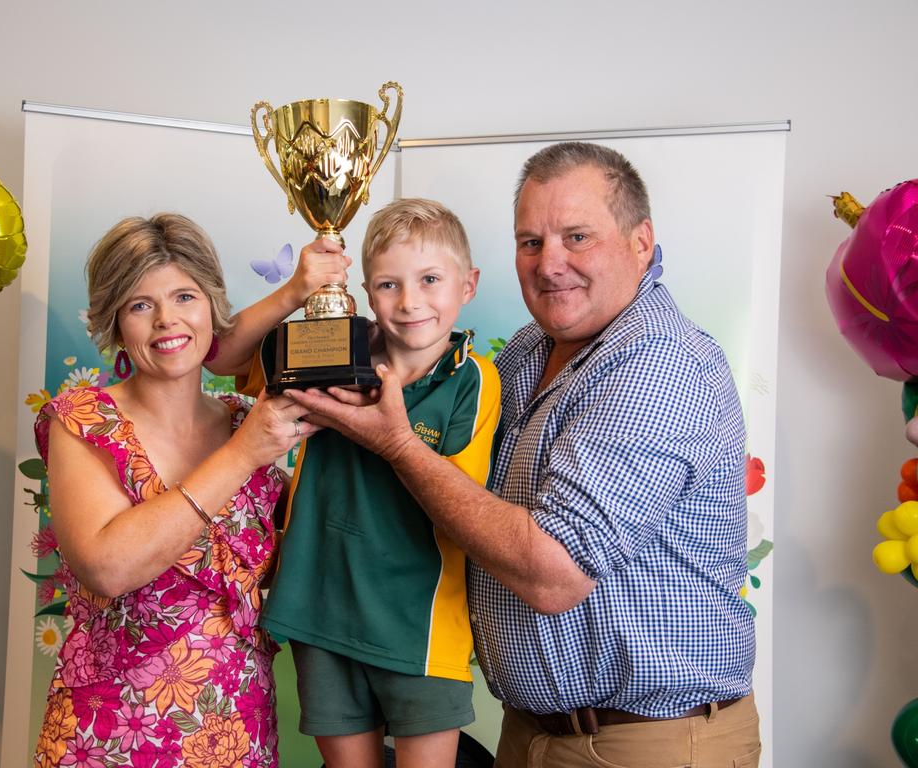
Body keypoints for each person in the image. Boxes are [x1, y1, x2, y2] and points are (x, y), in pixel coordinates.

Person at [287, 143, 762, 768]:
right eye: (531, 242)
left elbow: (552, 573)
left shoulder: (660, 366)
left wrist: (397, 443)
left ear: (641, 241)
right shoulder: (521, 356)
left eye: (578, 236)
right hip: (531, 733)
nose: (551, 263)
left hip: (647, 742)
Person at [31, 213, 335, 768]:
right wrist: (241, 455)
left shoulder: (253, 418)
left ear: (212, 307)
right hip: (111, 736)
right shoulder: (82, 420)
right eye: (140, 305)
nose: (168, 321)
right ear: (116, 323)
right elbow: (108, 567)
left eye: (185, 296)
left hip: (236, 729)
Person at [214, 199, 500, 768]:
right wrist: (298, 289)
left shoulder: (473, 378)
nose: (411, 301)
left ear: (467, 285)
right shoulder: (333, 345)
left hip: (419, 626)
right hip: (320, 610)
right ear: (367, 294)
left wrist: (386, 433)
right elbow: (223, 353)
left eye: (431, 279)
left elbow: (458, 506)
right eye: (390, 284)